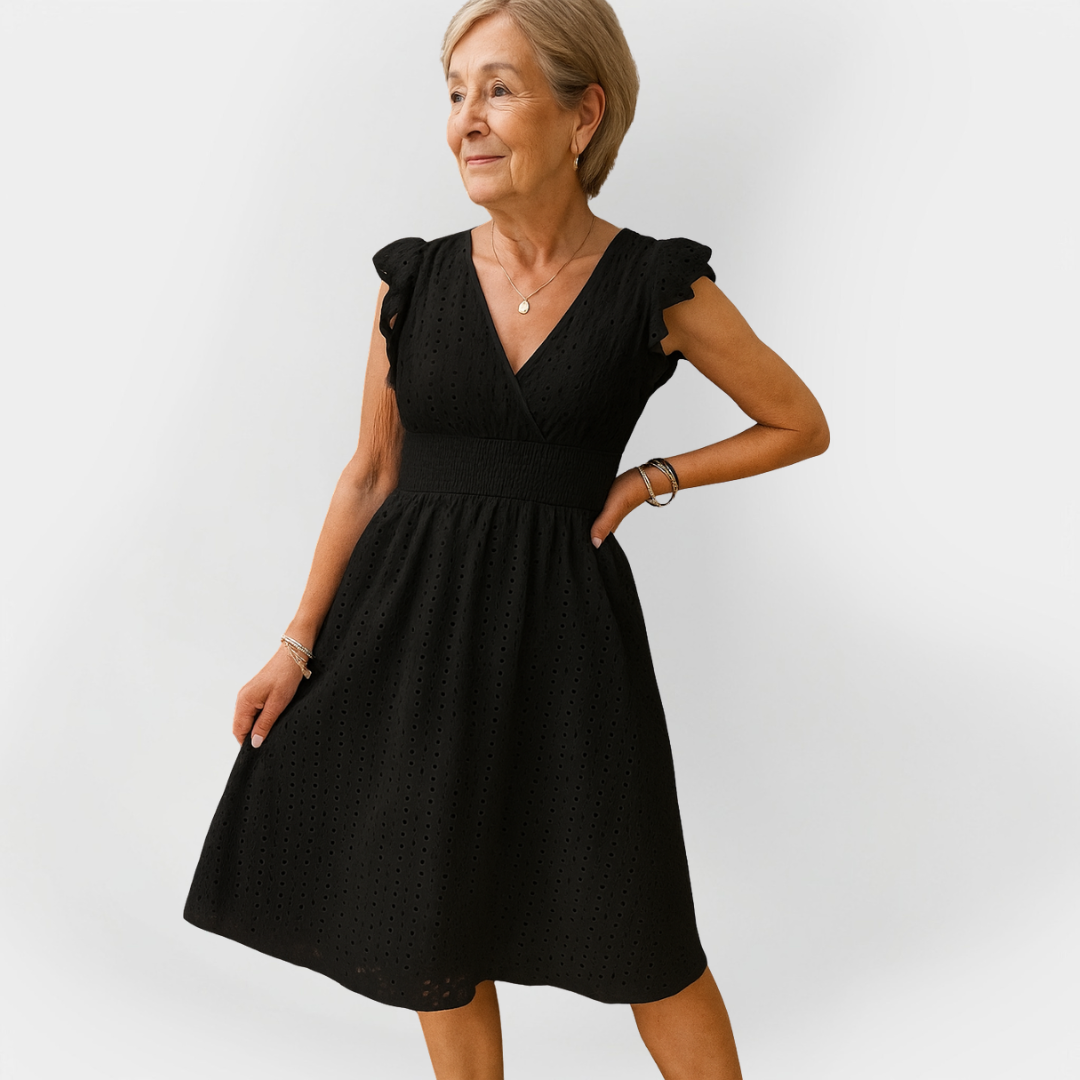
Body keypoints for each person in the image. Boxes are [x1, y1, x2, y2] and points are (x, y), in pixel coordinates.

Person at [183, 0, 829, 1076]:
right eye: (454, 94)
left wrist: (650, 479)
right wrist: (295, 644)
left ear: (584, 115)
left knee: (644, 933)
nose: (466, 121)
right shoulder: (415, 281)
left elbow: (797, 422)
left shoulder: (655, 285)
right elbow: (371, 472)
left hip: (570, 649)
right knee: (437, 916)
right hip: (409, 637)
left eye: (498, 89)